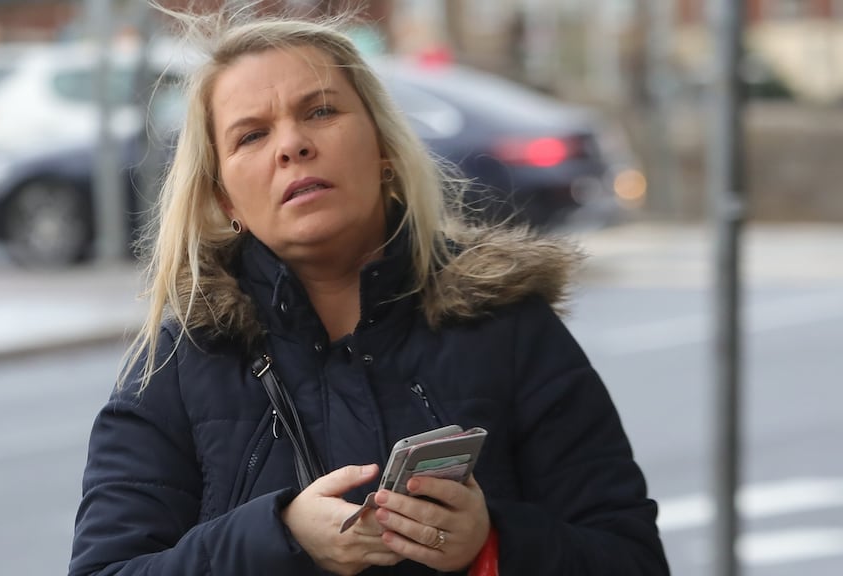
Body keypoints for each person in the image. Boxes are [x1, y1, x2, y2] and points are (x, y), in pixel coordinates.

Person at [69, 13, 669, 576]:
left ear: (382, 148)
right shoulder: (176, 365)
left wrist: (490, 543)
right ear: (226, 199)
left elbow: (630, 556)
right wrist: (280, 537)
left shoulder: (508, 324)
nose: (292, 145)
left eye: (321, 111)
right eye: (251, 135)